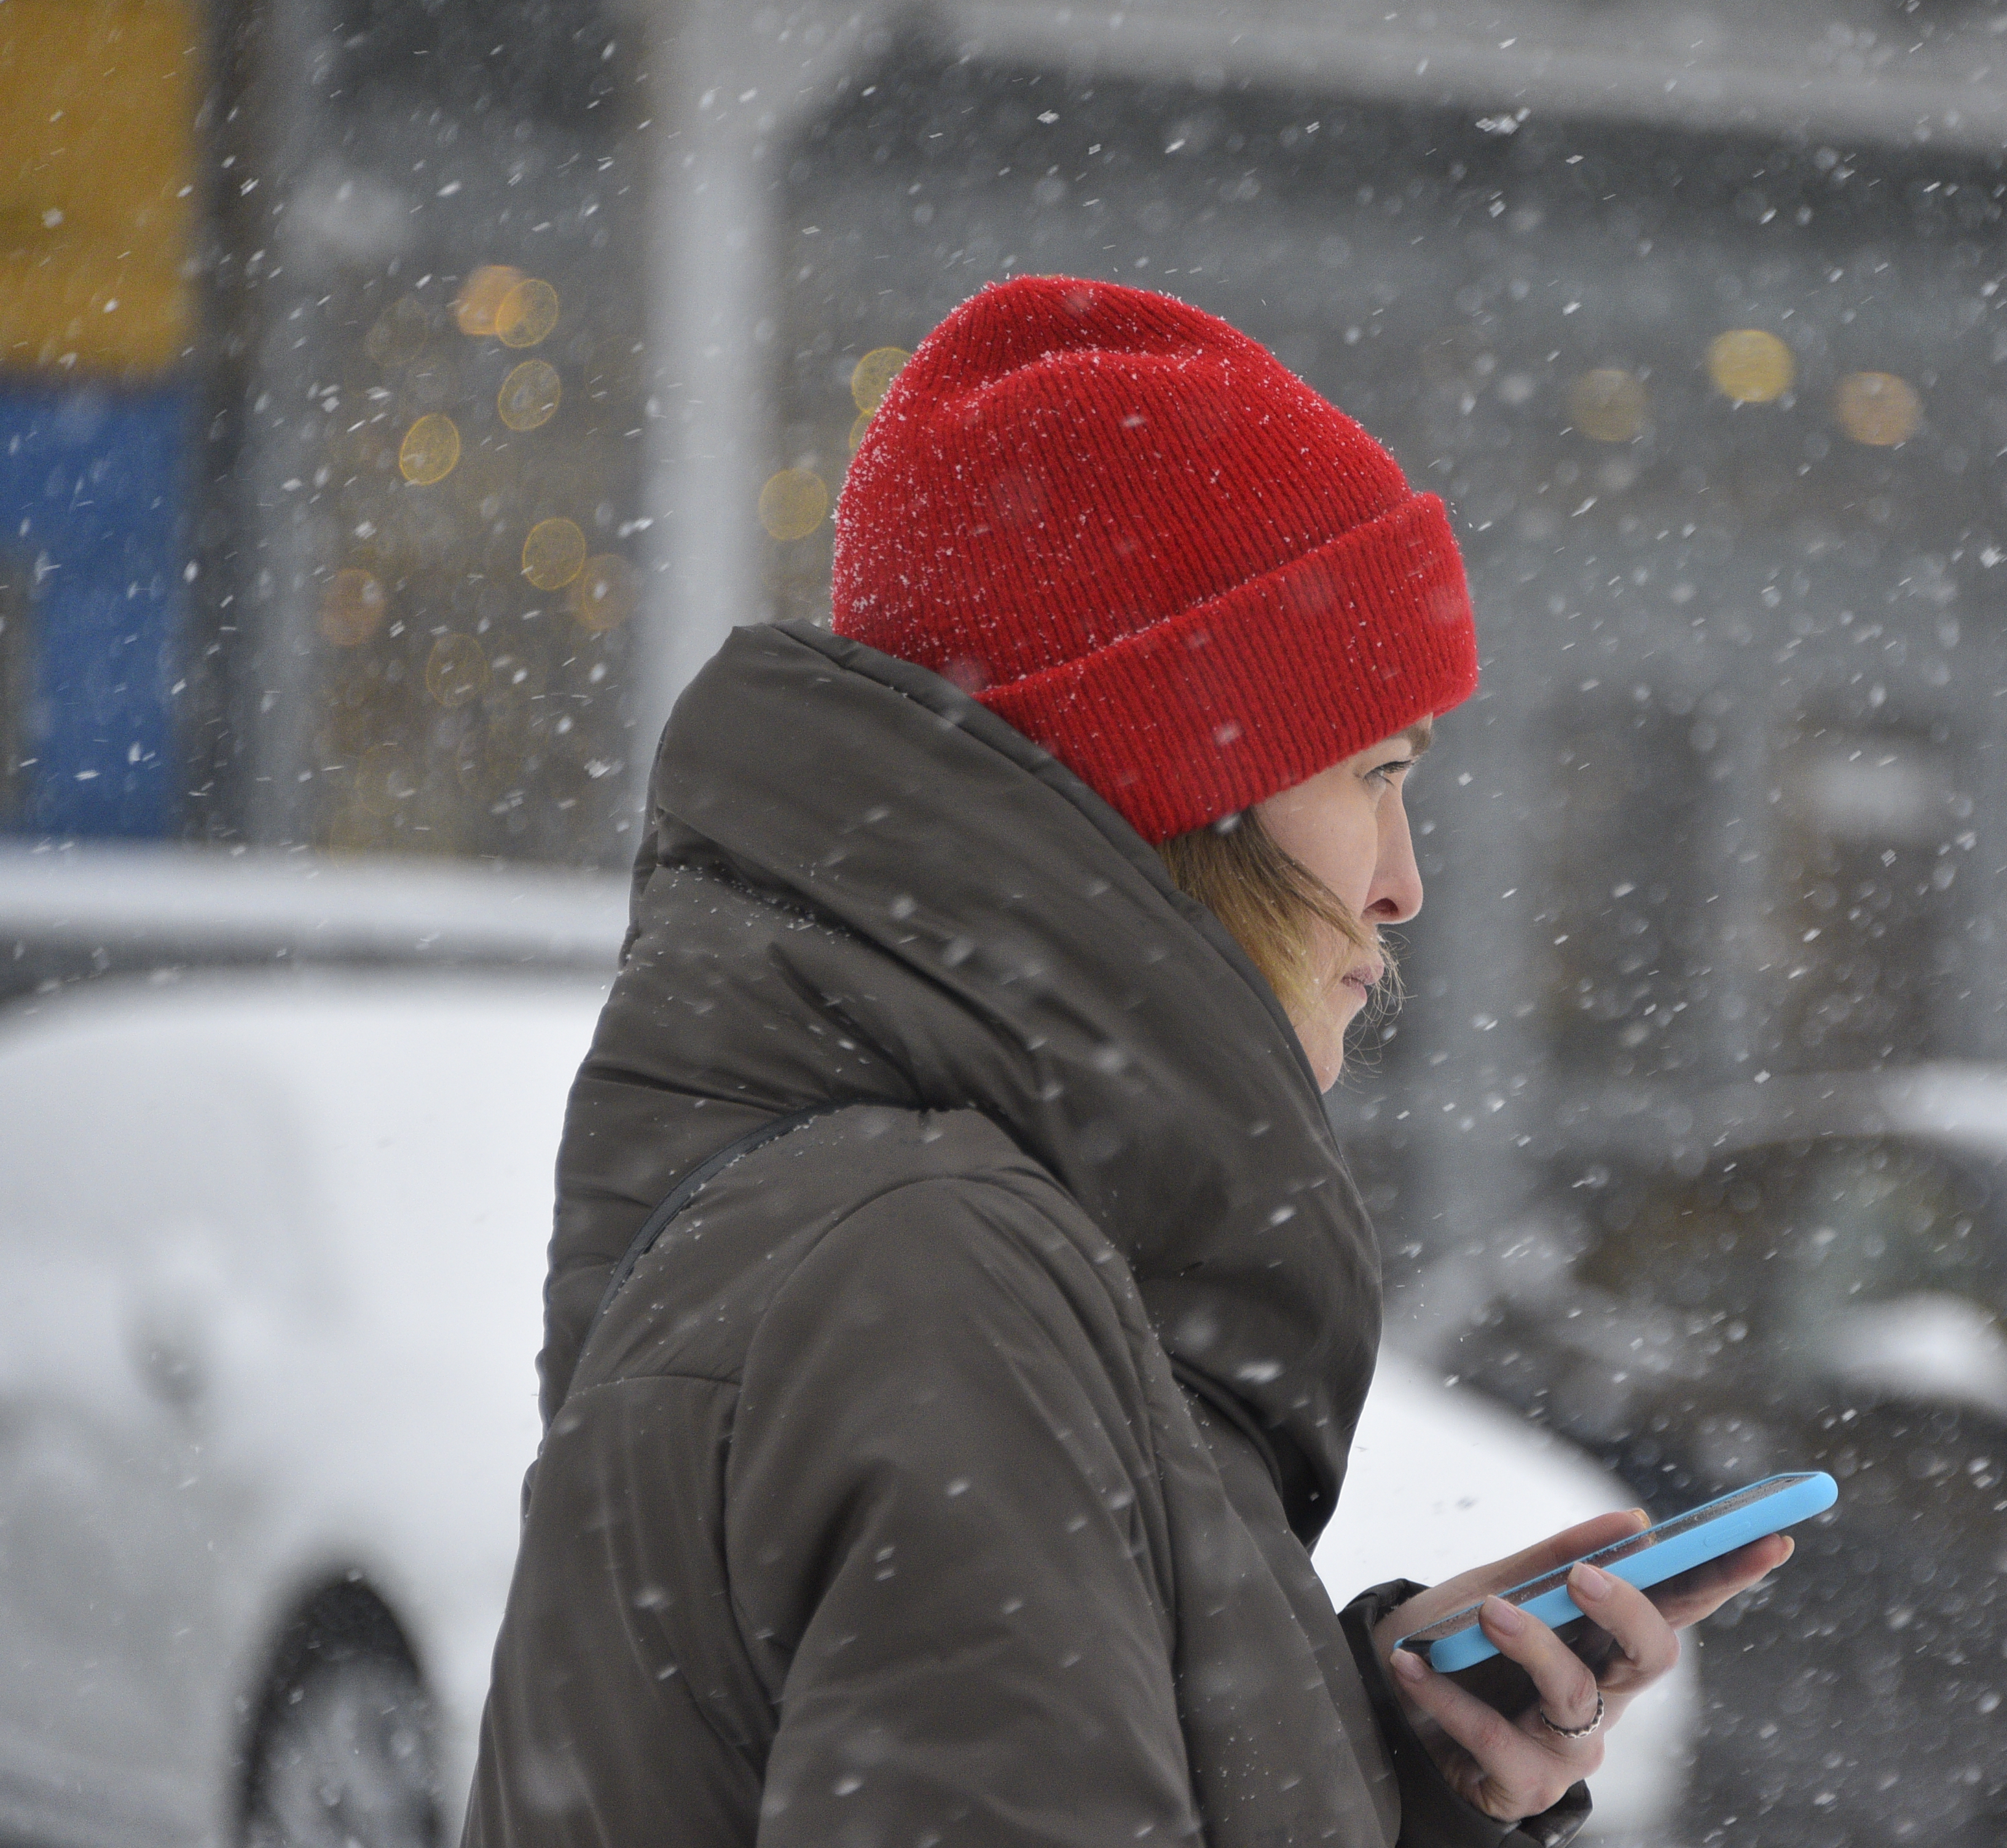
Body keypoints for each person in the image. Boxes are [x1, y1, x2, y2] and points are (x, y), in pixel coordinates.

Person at [463, 276, 1788, 1848]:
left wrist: (1385, 1770)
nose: (1403, 879)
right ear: (1178, 792)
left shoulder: (914, 1241)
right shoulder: (943, 1280)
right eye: (1372, 774)